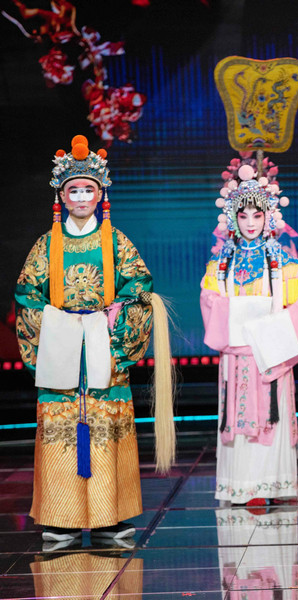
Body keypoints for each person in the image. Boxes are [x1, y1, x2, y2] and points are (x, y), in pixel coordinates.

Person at [15, 135, 174, 543]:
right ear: (61, 196)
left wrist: (119, 313)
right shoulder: (46, 245)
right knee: (62, 429)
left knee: (105, 426)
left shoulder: (116, 242)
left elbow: (139, 286)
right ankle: (60, 517)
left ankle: (109, 515)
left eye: (89, 189)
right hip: (61, 345)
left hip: (103, 342)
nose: (82, 197)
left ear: (101, 194)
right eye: (74, 190)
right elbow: (27, 294)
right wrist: (56, 324)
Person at [200, 158, 298, 506]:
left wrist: (270, 326)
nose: (251, 223)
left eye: (257, 215)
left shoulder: (284, 262)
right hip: (235, 358)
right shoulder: (221, 263)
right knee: (236, 415)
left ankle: (273, 484)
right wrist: (239, 315)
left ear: (269, 216)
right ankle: (240, 486)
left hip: (270, 355)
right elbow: (209, 300)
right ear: (233, 218)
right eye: (243, 216)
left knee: (272, 414)